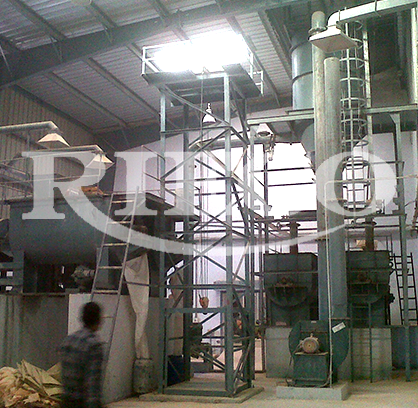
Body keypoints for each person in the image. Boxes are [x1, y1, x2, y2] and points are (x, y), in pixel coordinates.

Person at [60, 301, 104, 408]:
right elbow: (92, 383)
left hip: (66, 400)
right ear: (98, 320)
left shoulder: (68, 340)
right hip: (81, 402)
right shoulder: (94, 345)